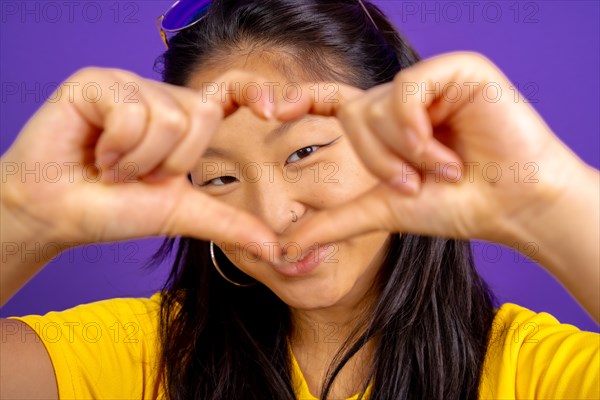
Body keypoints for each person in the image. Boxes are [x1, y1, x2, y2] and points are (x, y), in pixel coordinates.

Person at [1, 0, 598, 399]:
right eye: (219, 179)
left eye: (305, 152)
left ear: (405, 134)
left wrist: (549, 205)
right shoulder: (137, 355)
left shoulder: (533, 371)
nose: (272, 215)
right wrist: (20, 215)